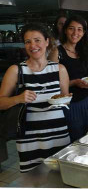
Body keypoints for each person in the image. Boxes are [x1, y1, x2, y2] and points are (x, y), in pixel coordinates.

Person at [0, 23, 71, 172]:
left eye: (37, 40)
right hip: (29, 140)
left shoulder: (60, 69)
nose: (33, 45)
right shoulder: (16, 70)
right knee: (34, 180)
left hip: (58, 134)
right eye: (28, 41)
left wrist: (65, 98)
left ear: (47, 42)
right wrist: (18, 98)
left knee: (60, 176)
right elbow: (1, 102)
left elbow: (65, 98)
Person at [48, 15, 88, 142]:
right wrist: (74, 82)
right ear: (65, 30)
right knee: (76, 142)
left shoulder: (84, 50)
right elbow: (52, 83)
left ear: (84, 32)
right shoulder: (57, 52)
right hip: (70, 106)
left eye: (80, 29)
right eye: (71, 28)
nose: (76, 33)